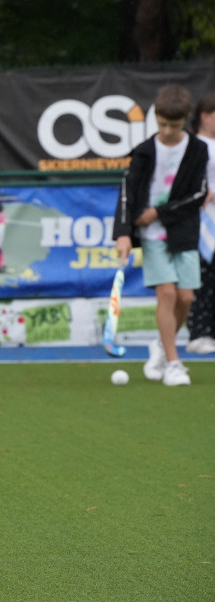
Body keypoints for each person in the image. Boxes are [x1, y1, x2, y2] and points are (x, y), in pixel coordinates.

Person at [114, 84, 210, 386]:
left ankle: (159, 344)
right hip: (151, 233)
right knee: (167, 293)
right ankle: (173, 362)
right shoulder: (143, 151)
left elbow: (199, 193)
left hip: (182, 229)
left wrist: (159, 212)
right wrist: (124, 233)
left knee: (186, 296)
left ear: (186, 121)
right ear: (155, 117)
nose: (167, 131)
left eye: (174, 125)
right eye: (162, 124)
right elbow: (128, 194)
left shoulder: (198, 149)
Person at [185, 91, 215, 355]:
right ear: (205, 116)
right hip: (202, 223)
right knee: (202, 277)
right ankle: (198, 332)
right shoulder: (195, 146)